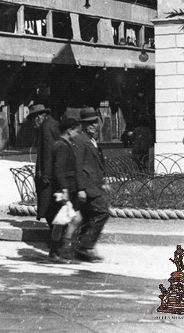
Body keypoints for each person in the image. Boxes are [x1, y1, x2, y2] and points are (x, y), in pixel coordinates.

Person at [70, 107, 110, 262]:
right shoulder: (81, 141)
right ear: (83, 125)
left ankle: (80, 248)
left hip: (94, 185)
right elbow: (78, 166)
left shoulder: (91, 140)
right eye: (89, 123)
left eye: (95, 121)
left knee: (89, 216)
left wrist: (103, 182)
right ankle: (85, 247)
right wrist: (80, 189)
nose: (93, 125)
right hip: (87, 187)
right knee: (102, 213)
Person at [48, 117, 83, 263]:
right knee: (68, 220)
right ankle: (59, 251)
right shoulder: (62, 146)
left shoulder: (63, 144)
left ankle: (56, 251)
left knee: (62, 221)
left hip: (66, 187)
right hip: (65, 188)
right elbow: (58, 169)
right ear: (69, 131)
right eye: (77, 131)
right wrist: (64, 189)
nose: (78, 135)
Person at [30, 103, 62, 228]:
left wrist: (45, 175)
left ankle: (55, 238)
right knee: (53, 206)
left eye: (34, 118)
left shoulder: (46, 127)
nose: (33, 122)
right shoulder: (52, 124)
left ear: (39, 116)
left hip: (49, 174)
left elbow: (48, 151)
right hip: (55, 171)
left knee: (48, 208)